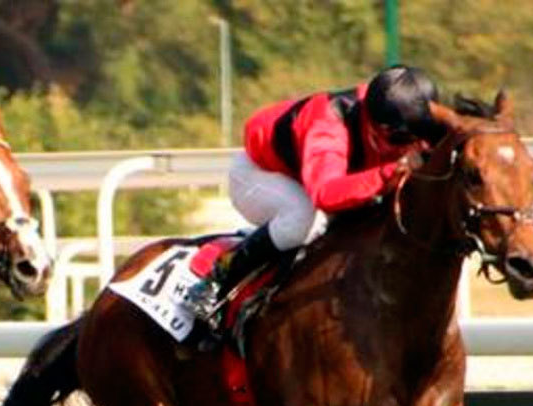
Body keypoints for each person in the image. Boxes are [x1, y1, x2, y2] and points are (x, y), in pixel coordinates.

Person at [183, 64, 444, 327]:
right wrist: (391, 172)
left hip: (310, 176)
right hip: (259, 175)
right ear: (378, 127)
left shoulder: (403, 116)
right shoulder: (328, 125)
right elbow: (325, 194)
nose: (413, 147)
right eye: (402, 140)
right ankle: (218, 279)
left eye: (423, 136)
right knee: (304, 218)